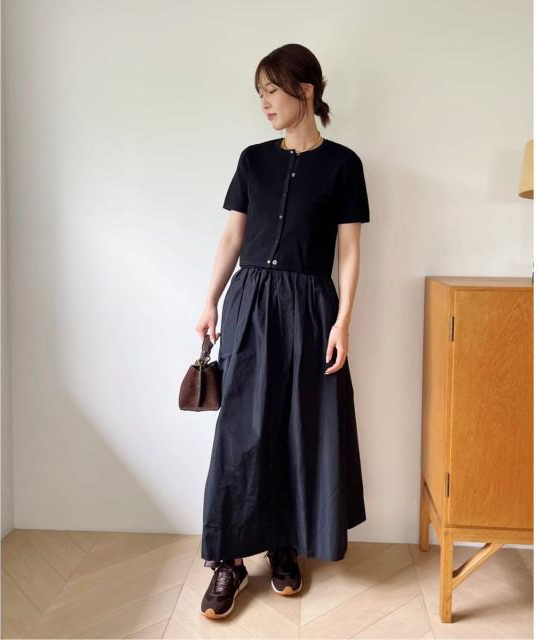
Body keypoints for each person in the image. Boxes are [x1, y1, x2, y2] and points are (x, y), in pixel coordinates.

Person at [195, 43, 370, 619]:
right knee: (241, 432)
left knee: (299, 428)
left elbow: (349, 251)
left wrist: (343, 321)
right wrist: (210, 300)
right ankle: (228, 560)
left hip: (311, 307)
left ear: (305, 90)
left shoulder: (343, 164)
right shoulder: (253, 160)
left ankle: (284, 545)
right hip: (250, 302)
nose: (265, 103)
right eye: (261, 93)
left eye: (272, 90)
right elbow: (232, 237)